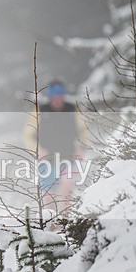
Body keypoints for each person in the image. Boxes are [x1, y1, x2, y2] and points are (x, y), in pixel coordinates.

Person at [23, 80, 87, 216]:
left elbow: (83, 130)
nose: (58, 99)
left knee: (66, 196)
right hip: (47, 159)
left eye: (60, 95)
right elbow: (28, 136)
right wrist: (38, 150)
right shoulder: (40, 110)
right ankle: (52, 228)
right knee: (49, 199)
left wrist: (82, 148)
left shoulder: (72, 109)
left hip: (69, 157)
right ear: (50, 96)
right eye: (54, 95)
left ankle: (65, 225)